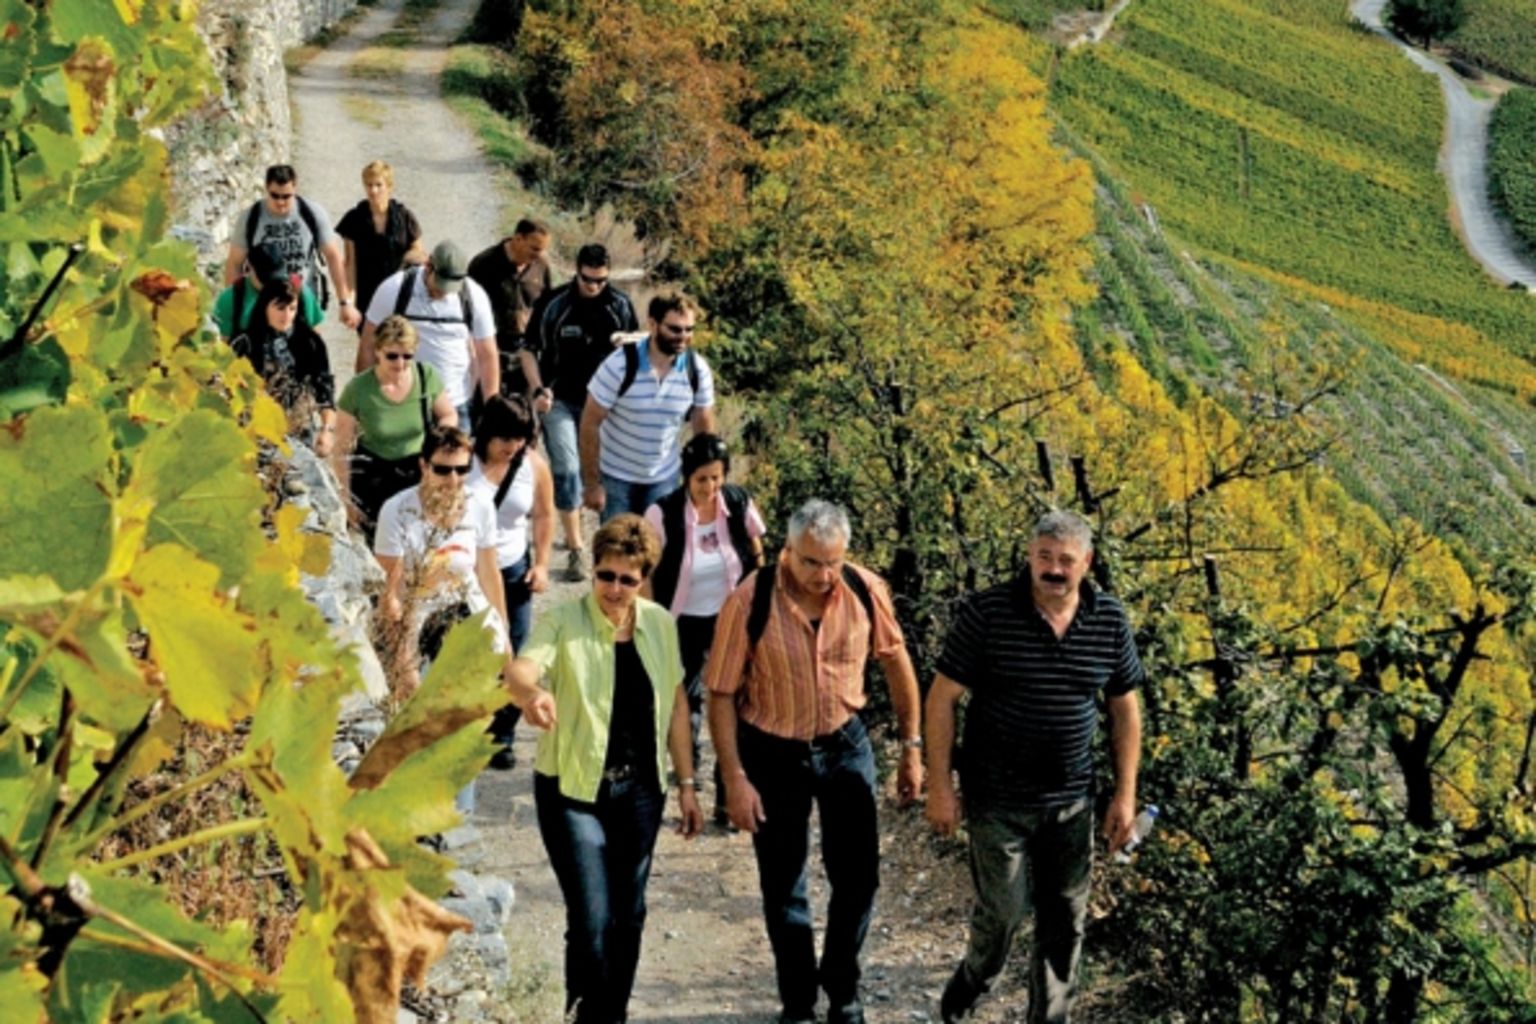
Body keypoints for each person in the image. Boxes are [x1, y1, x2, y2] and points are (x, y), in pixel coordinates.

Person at [706, 500, 924, 1024]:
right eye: (811, 563)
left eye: (832, 562)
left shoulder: (865, 591)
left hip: (844, 743)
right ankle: (799, 1001)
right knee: (784, 884)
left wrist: (912, 749)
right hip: (772, 750)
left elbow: (897, 665)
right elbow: (719, 694)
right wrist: (734, 777)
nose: (823, 575)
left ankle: (843, 989)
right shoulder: (750, 601)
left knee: (859, 877)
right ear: (787, 551)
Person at [925, 510, 1145, 1024]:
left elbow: (1124, 709)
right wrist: (940, 784)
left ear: (1086, 563)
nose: (1053, 570)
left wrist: (1124, 794)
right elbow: (942, 699)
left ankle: (1048, 1019)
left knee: (1065, 921)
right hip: (997, 799)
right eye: (1044, 557)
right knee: (1002, 913)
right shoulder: (988, 614)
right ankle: (972, 981)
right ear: (1029, 556)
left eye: (1066, 560)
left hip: (1072, 800)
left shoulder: (1108, 620)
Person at [505, 514, 704, 1024]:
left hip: (639, 791)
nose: (614, 589)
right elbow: (523, 669)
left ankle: (608, 1015)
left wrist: (687, 784)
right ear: (593, 572)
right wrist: (531, 692)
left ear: (644, 580)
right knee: (593, 918)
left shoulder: (659, 625)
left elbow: (677, 705)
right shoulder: (563, 621)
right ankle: (586, 1013)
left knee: (629, 916)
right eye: (606, 576)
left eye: (627, 579)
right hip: (571, 789)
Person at [374, 426, 514, 814]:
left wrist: (504, 637)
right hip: (420, 630)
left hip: (468, 627)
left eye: (461, 469)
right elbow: (392, 595)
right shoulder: (397, 511)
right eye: (443, 469)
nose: (453, 479)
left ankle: (460, 823)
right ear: (423, 466)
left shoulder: (479, 506)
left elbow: (488, 573)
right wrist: (402, 662)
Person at [642, 433, 765, 821]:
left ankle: (729, 792)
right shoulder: (662, 514)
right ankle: (687, 781)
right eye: (702, 480)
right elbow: (646, 573)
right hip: (680, 622)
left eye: (716, 478)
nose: (710, 488)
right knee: (685, 703)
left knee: (735, 702)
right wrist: (647, 622)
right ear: (686, 478)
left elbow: (757, 550)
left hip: (731, 621)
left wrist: (762, 604)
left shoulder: (738, 503)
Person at [519, 243, 640, 580]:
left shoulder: (619, 306)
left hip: (604, 404)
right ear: (577, 272)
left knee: (607, 476)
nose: (594, 287)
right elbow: (529, 350)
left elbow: (636, 352)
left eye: (601, 280)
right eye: (588, 279)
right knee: (567, 468)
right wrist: (538, 388)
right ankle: (575, 547)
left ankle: (614, 547)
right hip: (561, 399)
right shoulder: (555, 304)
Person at [468, 394, 555, 769]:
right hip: (469, 571)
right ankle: (467, 728)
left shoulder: (533, 466)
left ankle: (501, 737)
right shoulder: (464, 464)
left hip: (513, 568)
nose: (512, 447)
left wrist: (543, 564)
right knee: (472, 654)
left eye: (520, 439)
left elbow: (544, 515)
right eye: (505, 438)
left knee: (515, 654)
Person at [581, 292, 716, 523]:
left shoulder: (697, 370)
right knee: (617, 553)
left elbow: (703, 428)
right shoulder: (619, 365)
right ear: (653, 325)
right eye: (674, 329)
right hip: (616, 477)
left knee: (656, 552)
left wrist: (705, 483)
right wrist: (592, 484)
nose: (683, 337)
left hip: (663, 478)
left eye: (689, 329)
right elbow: (590, 423)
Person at [333, 315, 458, 542]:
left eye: (407, 356)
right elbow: (341, 449)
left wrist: (440, 440)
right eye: (392, 356)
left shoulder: (426, 376)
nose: (400, 364)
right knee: (383, 548)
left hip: (416, 474)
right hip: (375, 480)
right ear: (378, 352)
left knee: (420, 544)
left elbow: (448, 414)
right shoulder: (358, 389)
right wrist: (346, 500)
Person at [357, 240, 498, 430]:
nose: (443, 292)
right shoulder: (394, 289)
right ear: (428, 266)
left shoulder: (474, 296)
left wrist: (492, 409)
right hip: (400, 401)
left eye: (449, 288)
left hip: (455, 403)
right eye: (440, 285)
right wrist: (365, 399)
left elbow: (487, 355)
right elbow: (367, 345)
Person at [223, 164, 360, 330]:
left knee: (309, 352)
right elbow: (235, 263)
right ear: (267, 188)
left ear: (295, 188)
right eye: (275, 196)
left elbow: (333, 256)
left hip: (302, 299)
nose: (281, 202)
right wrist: (233, 308)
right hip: (262, 302)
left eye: (286, 196)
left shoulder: (311, 213)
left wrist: (345, 302)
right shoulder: (251, 218)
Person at [229, 277, 337, 455]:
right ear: (265, 307)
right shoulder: (244, 343)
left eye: (292, 308)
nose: (286, 315)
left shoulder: (311, 343)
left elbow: (324, 391)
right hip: (254, 430)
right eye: (280, 308)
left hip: (299, 429)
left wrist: (327, 431)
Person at [467, 219, 553, 397]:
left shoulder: (542, 266)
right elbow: (467, 309)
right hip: (490, 351)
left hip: (526, 356)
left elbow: (547, 307)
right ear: (518, 239)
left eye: (543, 249)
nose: (539, 254)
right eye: (535, 248)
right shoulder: (484, 264)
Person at [336, 160, 426, 322]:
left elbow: (419, 257)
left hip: (400, 292)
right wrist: (350, 301)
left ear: (390, 187)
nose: (373, 190)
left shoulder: (405, 218)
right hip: (367, 293)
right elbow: (350, 263)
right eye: (369, 185)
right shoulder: (354, 219)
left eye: (379, 185)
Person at [211, 240, 324, 339]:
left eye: (276, 278)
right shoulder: (231, 299)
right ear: (249, 268)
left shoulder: (300, 292)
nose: (270, 286)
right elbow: (224, 345)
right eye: (265, 280)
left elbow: (315, 335)